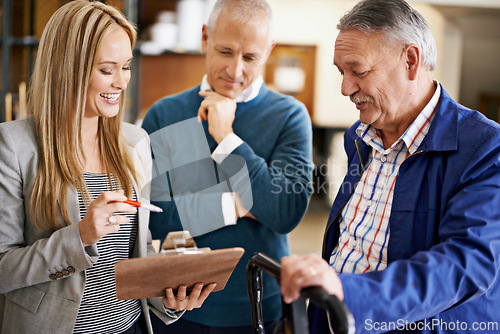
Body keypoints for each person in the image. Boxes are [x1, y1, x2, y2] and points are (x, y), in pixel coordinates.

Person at [280, 0, 500, 333]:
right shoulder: (359, 137)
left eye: (359, 70)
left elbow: (466, 263)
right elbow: (350, 242)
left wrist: (349, 293)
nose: (345, 88)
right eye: (342, 72)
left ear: (410, 61)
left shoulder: (486, 147)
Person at [0, 1, 215, 333]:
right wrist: (80, 237)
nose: (121, 82)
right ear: (68, 68)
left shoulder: (135, 142)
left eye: (126, 66)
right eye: (107, 69)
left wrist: (167, 297)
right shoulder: (15, 145)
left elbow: (137, 252)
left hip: (129, 326)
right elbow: (4, 269)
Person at [141, 0, 313, 332]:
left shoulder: (290, 116)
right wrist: (239, 203)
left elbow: (284, 211)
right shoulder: (164, 114)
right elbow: (156, 222)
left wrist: (226, 138)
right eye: (225, 51)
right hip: (176, 306)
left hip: (257, 306)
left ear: (268, 50)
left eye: (250, 57)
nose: (235, 71)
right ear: (205, 38)